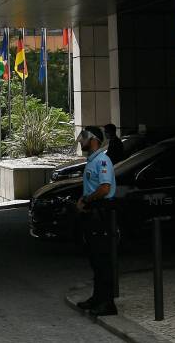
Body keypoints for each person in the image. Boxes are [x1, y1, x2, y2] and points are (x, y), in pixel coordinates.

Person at [75, 126, 118, 316]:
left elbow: (105, 188)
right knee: (95, 259)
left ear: (93, 139)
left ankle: (107, 303)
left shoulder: (102, 161)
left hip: (101, 213)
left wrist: (86, 200)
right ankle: (97, 298)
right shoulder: (92, 161)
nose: (80, 141)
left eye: (83, 137)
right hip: (93, 213)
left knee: (103, 259)